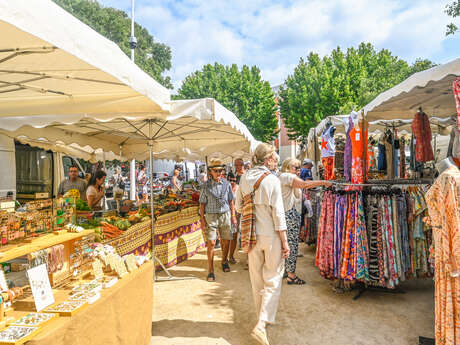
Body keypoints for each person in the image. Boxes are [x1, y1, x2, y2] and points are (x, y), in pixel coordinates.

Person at [235, 143, 289, 345]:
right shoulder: (272, 180)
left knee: (256, 279)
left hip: (250, 234)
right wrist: (285, 242)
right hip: (271, 235)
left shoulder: (244, 177)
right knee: (273, 278)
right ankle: (262, 323)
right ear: (267, 160)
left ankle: (261, 319)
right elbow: (279, 214)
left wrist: (253, 207)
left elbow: (238, 206)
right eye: (274, 159)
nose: (275, 162)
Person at [279, 158, 332, 285]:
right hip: (289, 215)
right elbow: (305, 185)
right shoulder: (287, 176)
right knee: (291, 245)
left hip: (289, 214)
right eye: (295, 167)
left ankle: (286, 271)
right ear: (287, 167)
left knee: (288, 245)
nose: (298, 170)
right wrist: (324, 182)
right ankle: (291, 275)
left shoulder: (287, 177)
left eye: (299, 167)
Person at [199, 159, 237, 282]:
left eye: (221, 170)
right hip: (211, 215)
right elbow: (202, 204)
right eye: (216, 171)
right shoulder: (205, 186)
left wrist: (233, 216)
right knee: (211, 242)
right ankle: (210, 270)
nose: (219, 173)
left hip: (225, 214)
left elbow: (231, 201)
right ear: (210, 172)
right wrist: (202, 220)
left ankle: (224, 260)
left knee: (226, 241)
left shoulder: (227, 184)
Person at [228, 158, 246, 264]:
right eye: (235, 165)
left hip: (241, 210)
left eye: (238, 165)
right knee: (232, 234)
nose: (236, 167)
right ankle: (230, 256)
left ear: (242, 165)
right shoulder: (233, 176)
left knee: (241, 233)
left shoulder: (245, 176)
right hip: (232, 210)